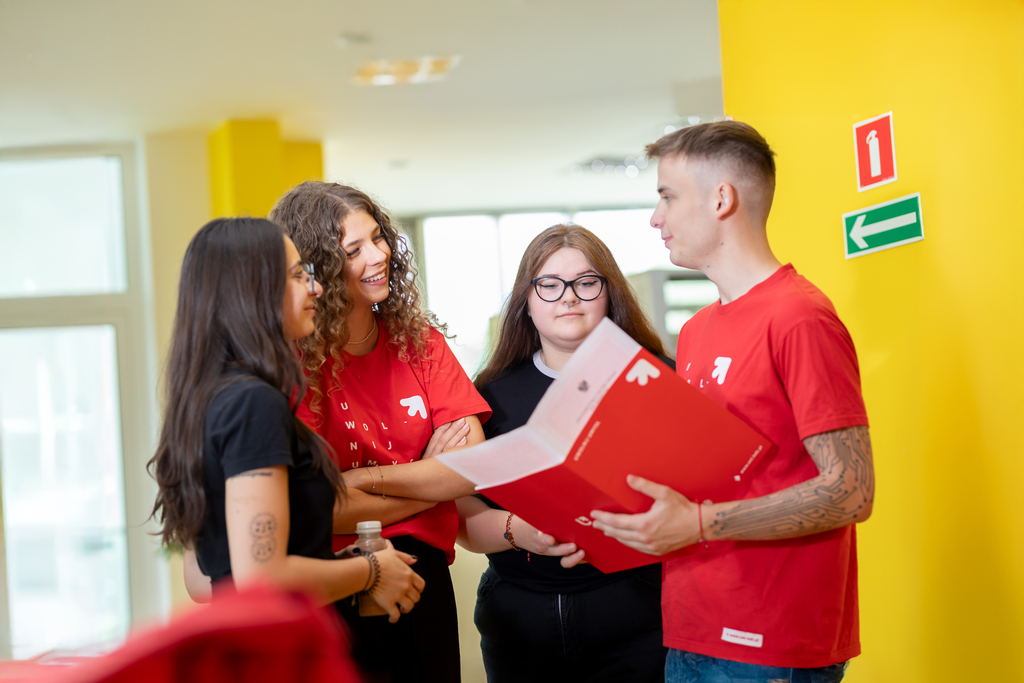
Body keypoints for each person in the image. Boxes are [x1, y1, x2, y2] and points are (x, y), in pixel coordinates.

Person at [590, 122, 874, 682]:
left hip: (771, 644)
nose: (656, 217)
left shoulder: (799, 316)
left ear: (722, 199)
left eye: (666, 197)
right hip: (691, 629)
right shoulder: (696, 330)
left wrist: (698, 523)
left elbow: (850, 489)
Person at [148, 217, 424, 624]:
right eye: (298, 277)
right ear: (253, 292)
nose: (315, 288)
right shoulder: (253, 404)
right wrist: (371, 570)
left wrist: (341, 563)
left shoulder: (209, 396)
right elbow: (262, 577)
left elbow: (218, 574)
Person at [269, 183, 491, 683]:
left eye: (378, 237)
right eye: (354, 250)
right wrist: (430, 486)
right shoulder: (296, 363)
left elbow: (472, 465)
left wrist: (366, 480)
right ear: (318, 269)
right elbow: (314, 505)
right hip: (333, 580)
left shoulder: (421, 341)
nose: (379, 255)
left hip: (424, 575)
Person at [460, 224, 672, 682]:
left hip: (635, 610)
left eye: (586, 283)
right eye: (549, 285)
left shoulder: (657, 380)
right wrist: (522, 531)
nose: (568, 298)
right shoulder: (486, 398)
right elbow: (462, 516)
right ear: (527, 303)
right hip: (519, 618)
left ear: (609, 294)